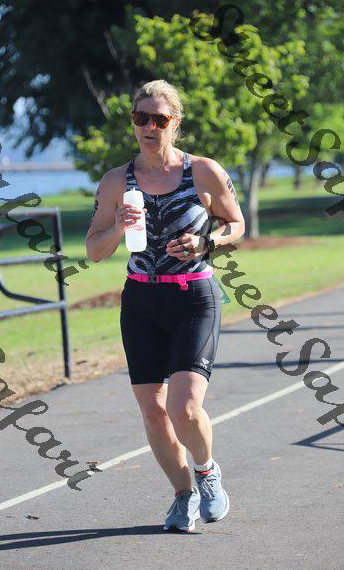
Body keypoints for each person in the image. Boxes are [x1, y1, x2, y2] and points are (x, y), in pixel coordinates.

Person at [86, 79, 245, 532]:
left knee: (185, 407)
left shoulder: (204, 171)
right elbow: (94, 250)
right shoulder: (116, 181)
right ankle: (182, 495)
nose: (149, 127)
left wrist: (206, 241)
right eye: (141, 118)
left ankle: (207, 471)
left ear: (175, 123)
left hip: (194, 296)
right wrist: (117, 227)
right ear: (133, 122)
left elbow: (236, 224)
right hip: (141, 300)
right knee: (154, 412)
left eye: (159, 119)